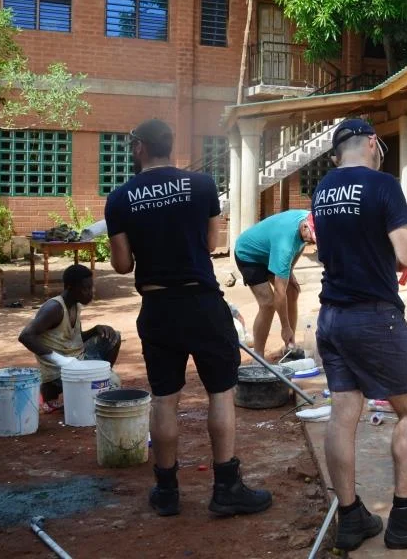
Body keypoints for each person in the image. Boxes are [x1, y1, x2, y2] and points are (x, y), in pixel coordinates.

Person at [105, 118, 271, 518]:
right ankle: (226, 487)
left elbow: (123, 264)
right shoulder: (202, 186)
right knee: (220, 392)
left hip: (158, 308)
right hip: (202, 304)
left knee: (165, 398)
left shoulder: (120, 198)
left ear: (140, 147)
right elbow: (212, 243)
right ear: (170, 145)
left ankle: (166, 492)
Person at [312, 118, 407, 551]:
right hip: (373, 318)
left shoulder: (323, 190)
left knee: (344, 411)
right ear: (374, 143)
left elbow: (346, 248)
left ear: (339, 151)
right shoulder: (381, 185)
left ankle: (350, 515)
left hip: (333, 316)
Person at [17, 264, 121, 409]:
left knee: (113, 337)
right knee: (109, 390)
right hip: (59, 371)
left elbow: (73, 340)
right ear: (70, 287)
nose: (90, 293)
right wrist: (62, 361)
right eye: (86, 288)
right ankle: (50, 389)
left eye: (91, 288)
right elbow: (25, 336)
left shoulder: (75, 305)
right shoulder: (54, 308)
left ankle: (98, 378)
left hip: (77, 361)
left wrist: (95, 330)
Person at [233, 209, 316, 358]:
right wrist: (285, 327)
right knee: (268, 303)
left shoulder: (309, 218)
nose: (312, 242)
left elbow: (300, 245)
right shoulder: (285, 244)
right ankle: (258, 358)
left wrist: (289, 271)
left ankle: (290, 347)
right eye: (312, 238)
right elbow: (279, 292)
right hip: (249, 254)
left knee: (292, 290)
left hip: (270, 251)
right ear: (304, 227)